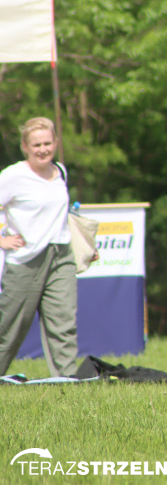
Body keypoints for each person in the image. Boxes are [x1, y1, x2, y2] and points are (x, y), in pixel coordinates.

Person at [0, 117, 77, 378]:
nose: (43, 149)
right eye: (36, 145)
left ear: (55, 143)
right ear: (25, 147)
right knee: (10, 327)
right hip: (25, 260)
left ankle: (67, 381)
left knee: (63, 322)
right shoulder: (13, 176)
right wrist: (1, 240)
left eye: (47, 143)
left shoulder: (61, 172)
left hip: (61, 255)